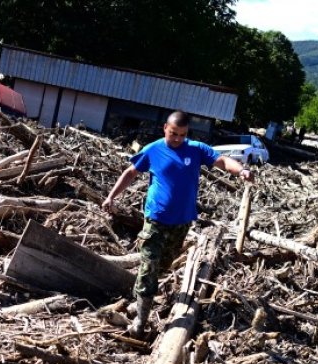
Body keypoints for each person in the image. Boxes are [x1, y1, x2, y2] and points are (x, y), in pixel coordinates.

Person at [102, 111, 254, 338]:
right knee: (149, 265)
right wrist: (111, 197)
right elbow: (131, 172)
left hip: (182, 222)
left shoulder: (195, 149)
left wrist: (241, 170)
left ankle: (139, 302)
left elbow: (221, 160)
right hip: (156, 219)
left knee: (163, 264)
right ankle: (140, 322)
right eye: (173, 134)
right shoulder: (153, 149)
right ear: (165, 128)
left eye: (182, 135)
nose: (177, 139)